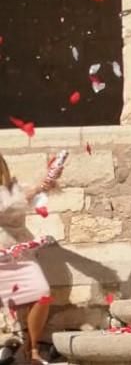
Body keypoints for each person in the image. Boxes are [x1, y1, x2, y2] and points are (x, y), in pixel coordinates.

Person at [0, 152, 63, 364]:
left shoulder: (15, 188)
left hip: (21, 254)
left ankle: (32, 348)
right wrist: (38, 187)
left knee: (42, 293)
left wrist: (51, 178)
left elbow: (40, 192)